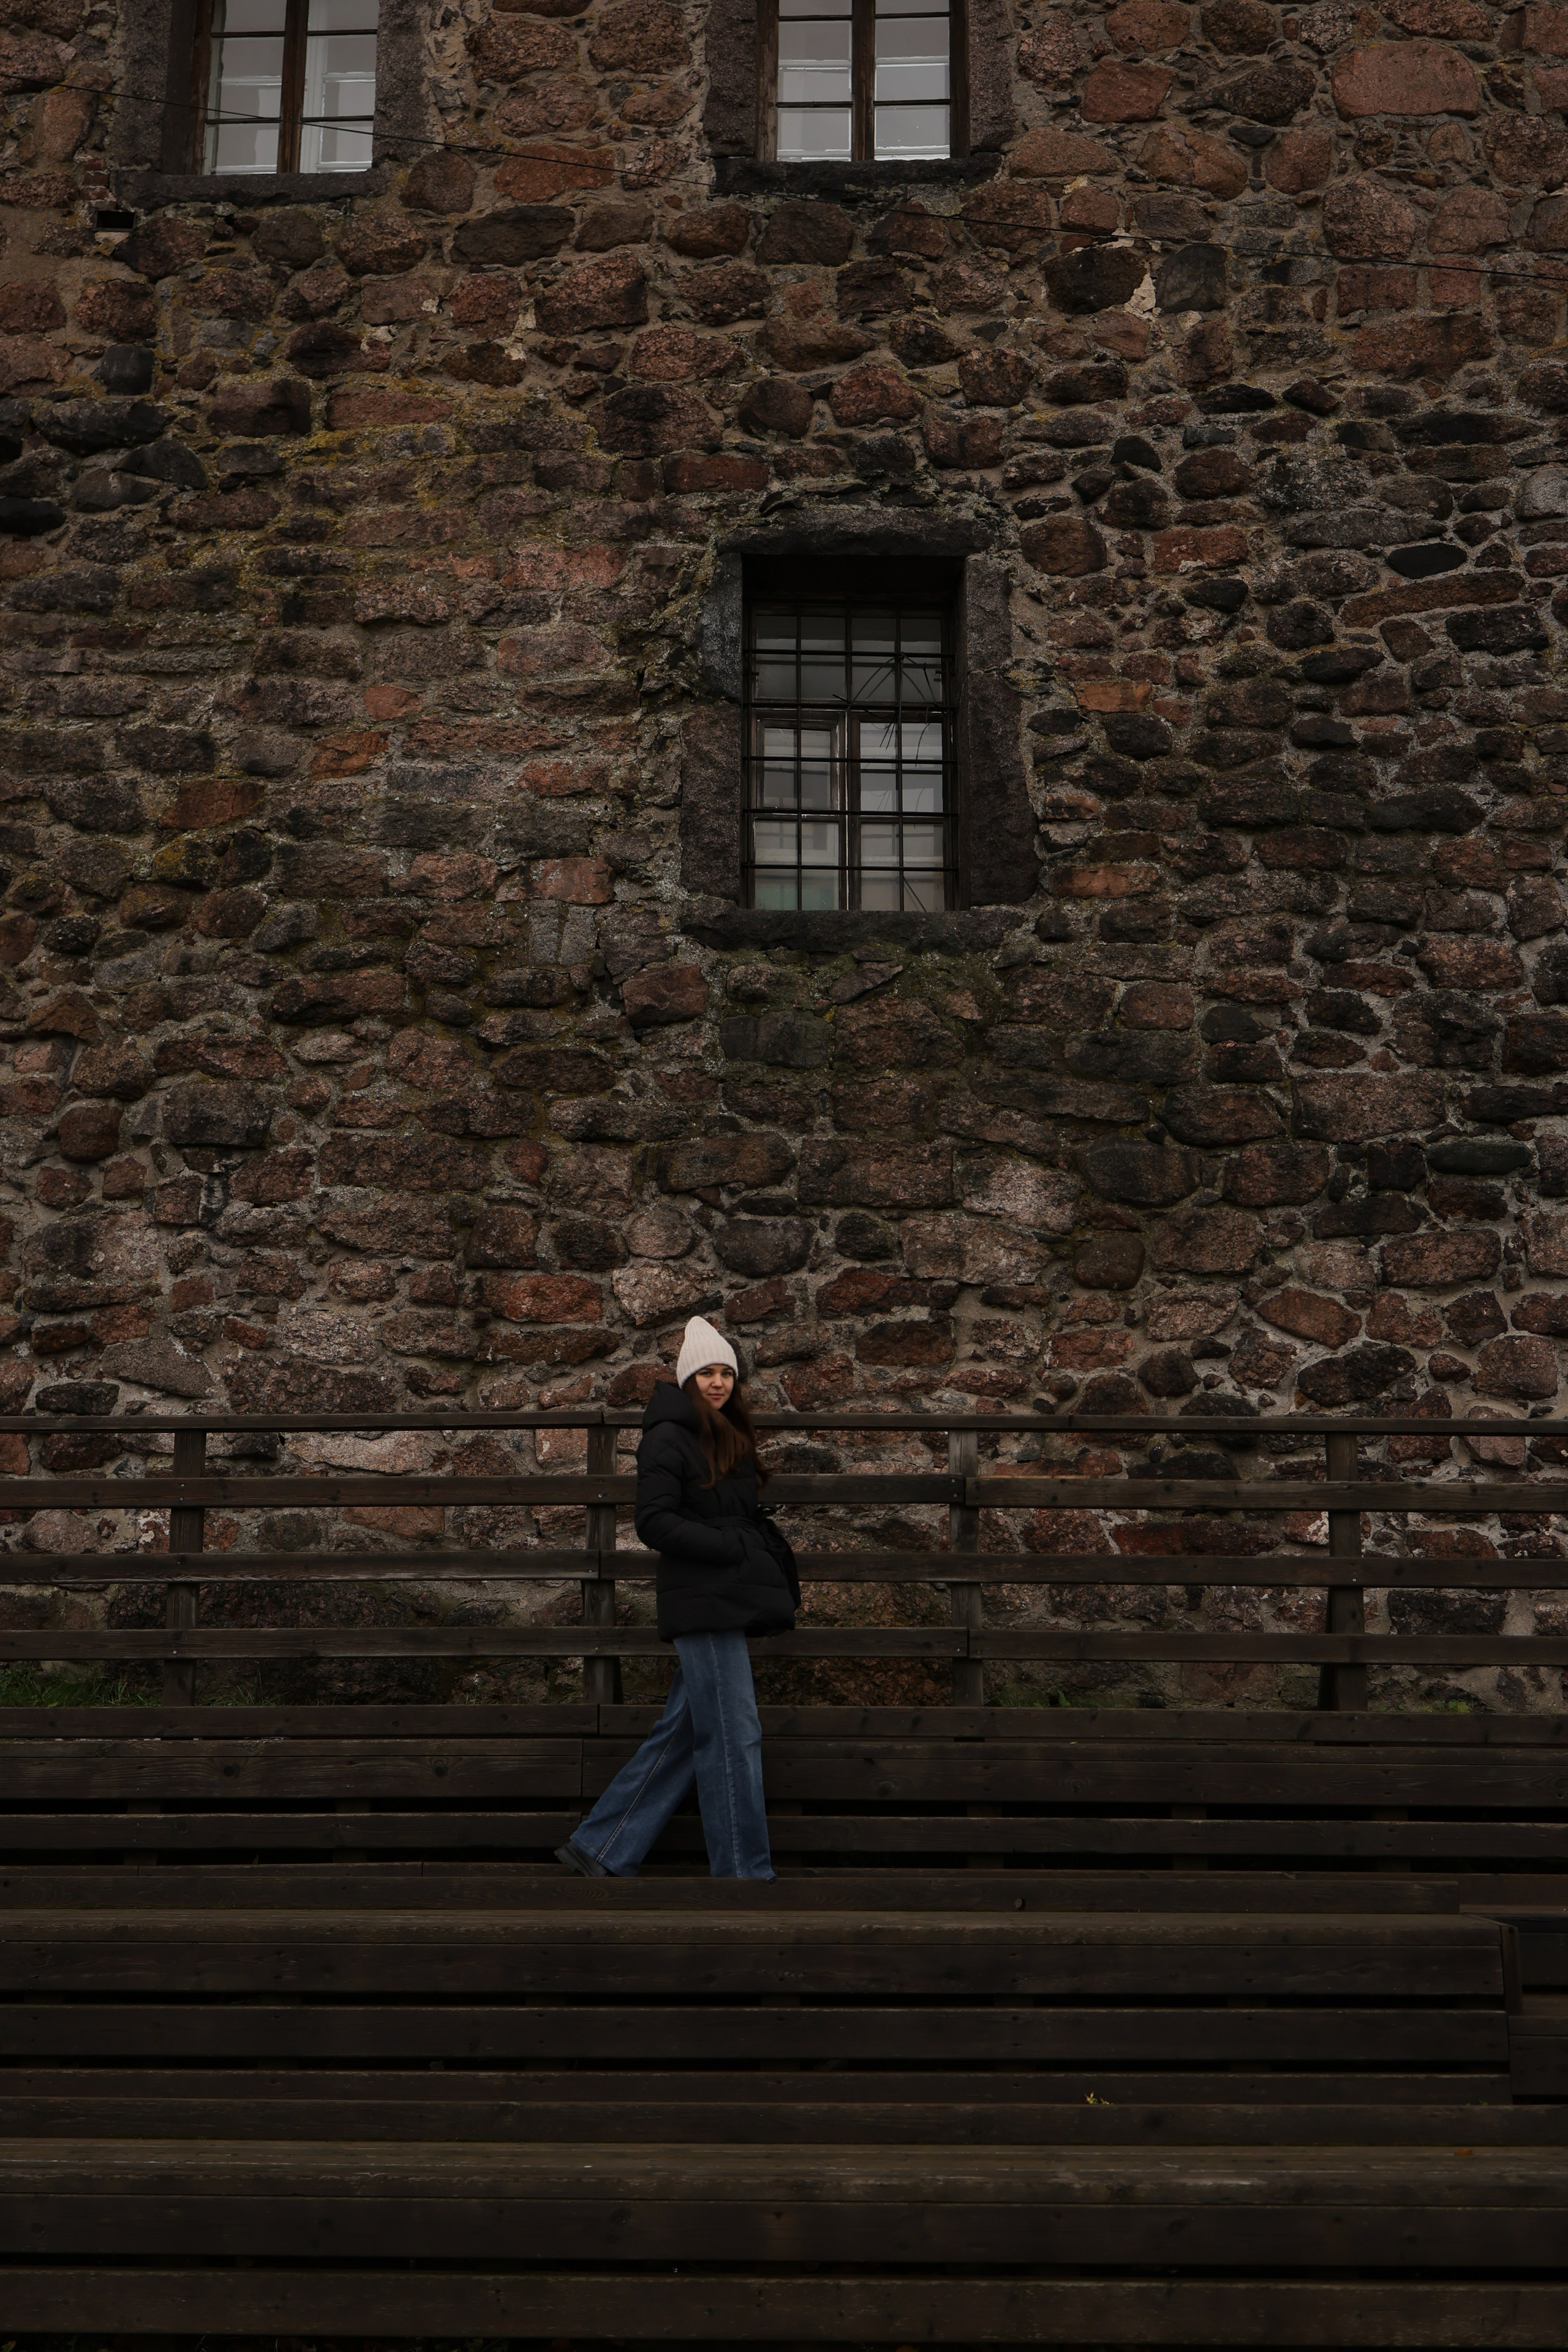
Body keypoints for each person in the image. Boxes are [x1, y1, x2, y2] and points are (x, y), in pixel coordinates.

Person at [557, 1317, 799, 1881]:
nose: (718, 1383)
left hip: (723, 1599)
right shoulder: (668, 1436)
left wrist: (752, 1542)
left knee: (686, 1733)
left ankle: (603, 1845)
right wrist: (732, 1547)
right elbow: (654, 1522)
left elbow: (730, 1516)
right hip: (705, 1602)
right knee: (735, 1736)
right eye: (707, 1373)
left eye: (727, 1373)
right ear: (688, 1379)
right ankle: (743, 1877)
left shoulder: (727, 1434)